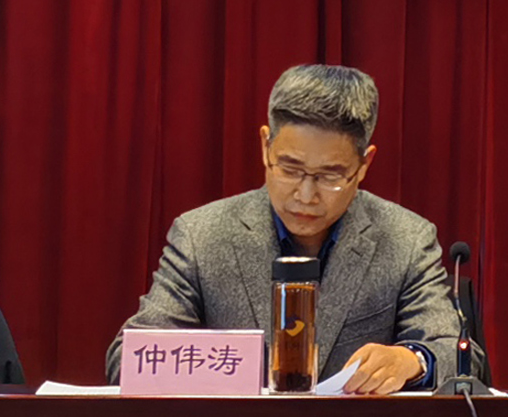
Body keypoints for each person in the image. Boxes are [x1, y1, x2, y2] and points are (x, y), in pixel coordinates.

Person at [106, 63, 457, 393]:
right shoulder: (202, 236)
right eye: (290, 169)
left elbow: (454, 353)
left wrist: (411, 360)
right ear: (265, 146)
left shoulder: (406, 239)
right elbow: (128, 360)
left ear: (364, 164)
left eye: (330, 176)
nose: (306, 196)